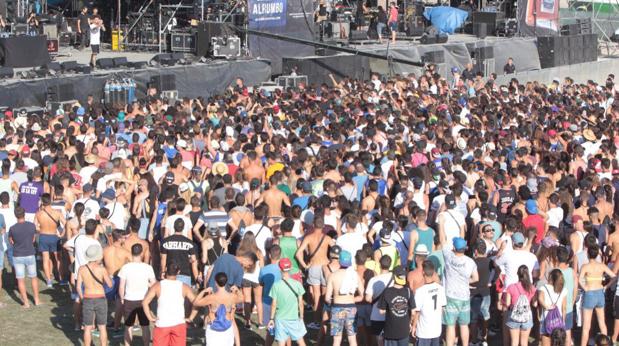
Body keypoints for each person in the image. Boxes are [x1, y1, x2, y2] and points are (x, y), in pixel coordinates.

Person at [142, 262, 196, 346]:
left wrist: (150, 317)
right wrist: (191, 317)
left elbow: (145, 302)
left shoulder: (157, 286)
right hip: (179, 324)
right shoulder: (184, 287)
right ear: (178, 272)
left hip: (162, 324)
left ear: (166, 270)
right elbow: (196, 303)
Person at [441, 237, 478, 346]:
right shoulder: (470, 261)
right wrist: (466, 282)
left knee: (450, 325)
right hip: (464, 297)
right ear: (465, 248)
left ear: (453, 247)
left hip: (451, 296)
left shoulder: (449, 257)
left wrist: (442, 223)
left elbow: (443, 241)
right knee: (464, 325)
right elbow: (476, 278)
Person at [118, 243, 156, 346]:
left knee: (128, 326)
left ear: (131, 252)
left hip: (129, 299)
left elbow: (121, 286)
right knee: (145, 325)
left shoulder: (125, 267)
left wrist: (122, 299)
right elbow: (154, 285)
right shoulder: (147, 267)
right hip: (143, 300)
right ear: (142, 253)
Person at [191, 272, 243, 346]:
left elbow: (195, 303)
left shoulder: (211, 298)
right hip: (227, 328)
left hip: (213, 329)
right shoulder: (232, 297)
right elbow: (242, 299)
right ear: (226, 282)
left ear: (215, 282)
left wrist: (203, 291)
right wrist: (237, 290)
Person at [579, 245, 615, 346]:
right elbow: (614, 276)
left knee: (586, 326)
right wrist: (606, 286)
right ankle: (606, 344)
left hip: (590, 293)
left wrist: (585, 287)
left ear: (587, 254)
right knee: (602, 323)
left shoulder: (585, 266)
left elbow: (579, 279)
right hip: (600, 293)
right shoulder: (602, 266)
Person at [77, 244, 112, 346]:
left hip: (87, 298)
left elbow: (78, 287)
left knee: (87, 327)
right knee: (102, 327)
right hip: (100, 298)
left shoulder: (81, 269)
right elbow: (109, 284)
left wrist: (82, 298)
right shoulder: (101, 269)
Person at [325, 250, 362, 346]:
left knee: (337, 339)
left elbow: (327, 298)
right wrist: (351, 299)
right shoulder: (355, 275)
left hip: (337, 307)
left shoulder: (332, 276)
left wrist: (333, 300)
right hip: (351, 308)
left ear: (339, 261)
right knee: (352, 338)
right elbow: (362, 296)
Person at [267, 258, 307, 346]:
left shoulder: (276, 285)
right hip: (294, 318)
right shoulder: (297, 284)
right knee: (300, 341)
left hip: (280, 318)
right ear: (291, 268)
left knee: (281, 342)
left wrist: (271, 318)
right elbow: (301, 304)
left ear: (279, 269)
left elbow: (274, 304)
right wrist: (301, 317)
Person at [9, 206, 40, 307]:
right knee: (34, 277)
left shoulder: (12, 228)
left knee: (20, 279)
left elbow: (11, 242)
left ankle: (26, 303)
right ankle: (36, 300)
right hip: (30, 253)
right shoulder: (31, 226)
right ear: (24, 214)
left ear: (15, 215)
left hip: (18, 255)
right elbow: (33, 239)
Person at [378, 265, 415, 346]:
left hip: (390, 331)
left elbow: (381, 311)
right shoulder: (408, 291)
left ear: (394, 277)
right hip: (404, 330)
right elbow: (413, 312)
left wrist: (391, 309)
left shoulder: (387, 291)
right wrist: (410, 323)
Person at [412, 260, 446, 346]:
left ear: (423, 272)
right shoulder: (440, 288)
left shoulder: (420, 291)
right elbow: (442, 308)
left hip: (424, 331)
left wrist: (414, 326)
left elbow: (417, 312)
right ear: (433, 271)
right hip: (436, 329)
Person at [35, 193, 65, 287]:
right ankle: (61, 279)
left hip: (43, 236)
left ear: (42, 202)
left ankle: (48, 280)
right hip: (54, 236)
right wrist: (62, 234)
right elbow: (66, 224)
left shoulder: (39, 214)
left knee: (45, 259)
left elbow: (35, 227)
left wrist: (41, 230)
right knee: (58, 259)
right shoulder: (57, 213)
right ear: (50, 201)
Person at [504, 265, 537, 346]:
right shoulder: (532, 288)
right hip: (526, 317)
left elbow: (508, 304)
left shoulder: (511, 287)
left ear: (517, 274)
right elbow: (535, 304)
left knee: (514, 341)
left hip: (514, 316)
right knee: (524, 342)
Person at [538, 269, 567, 346]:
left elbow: (540, 298)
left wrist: (547, 307)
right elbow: (564, 308)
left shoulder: (544, 288)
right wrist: (563, 322)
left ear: (550, 277)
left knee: (546, 339)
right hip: (558, 320)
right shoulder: (563, 290)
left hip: (546, 320)